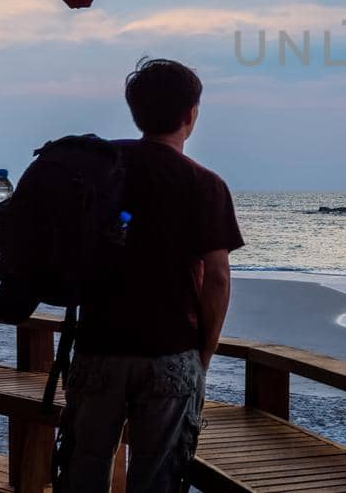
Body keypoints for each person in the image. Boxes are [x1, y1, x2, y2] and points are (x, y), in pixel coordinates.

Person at [57, 58, 244, 492]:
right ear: (190, 116)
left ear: (135, 111)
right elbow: (216, 278)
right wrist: (203, 357)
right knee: (157, 479)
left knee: (82, 472)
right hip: (170, 352)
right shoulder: (204, 184)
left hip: (97, 347)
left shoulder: (101, 168)